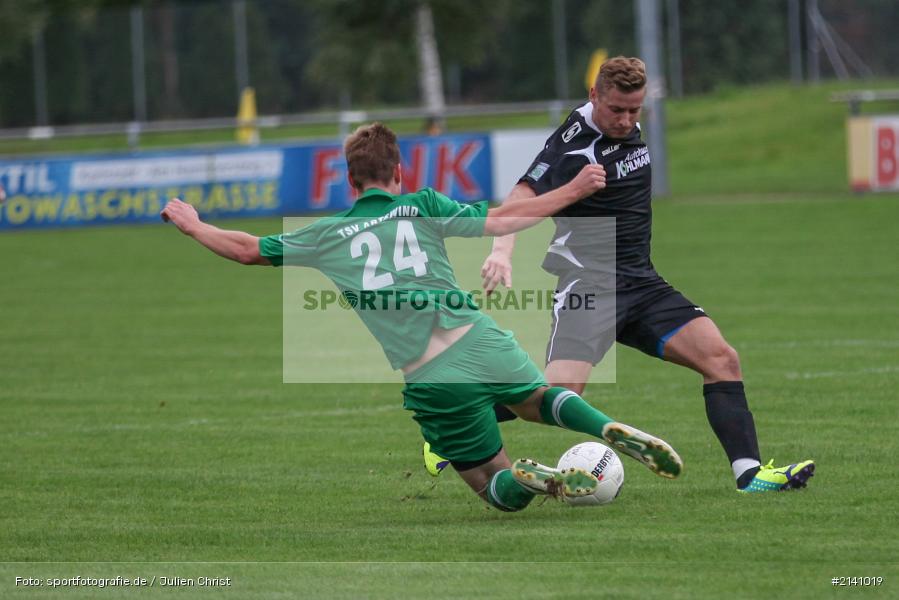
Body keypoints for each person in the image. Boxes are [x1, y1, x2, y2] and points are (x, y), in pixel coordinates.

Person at [161, 122, 682, 512]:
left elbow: (248, 249)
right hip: (477, 337)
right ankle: (602, 427)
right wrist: (573, 190)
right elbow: (504, 218)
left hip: (431, 375)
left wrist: (194, 225)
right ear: (398, 173)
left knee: (493, 488)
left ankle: (530, 481)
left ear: (349, 180)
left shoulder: (324, 235)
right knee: (539, 401)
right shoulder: (422, 205)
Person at [476, 57, 814, 493]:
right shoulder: (574, 145)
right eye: (617, 109)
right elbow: (522, 194)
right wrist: (501, 250)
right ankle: (462, 418)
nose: (626, 120)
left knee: (721, 358)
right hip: (591, 286)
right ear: (594, 95)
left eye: (635, 110)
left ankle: (749, 476)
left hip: (642, 283)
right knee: (559, 395)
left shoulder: (624, 119)